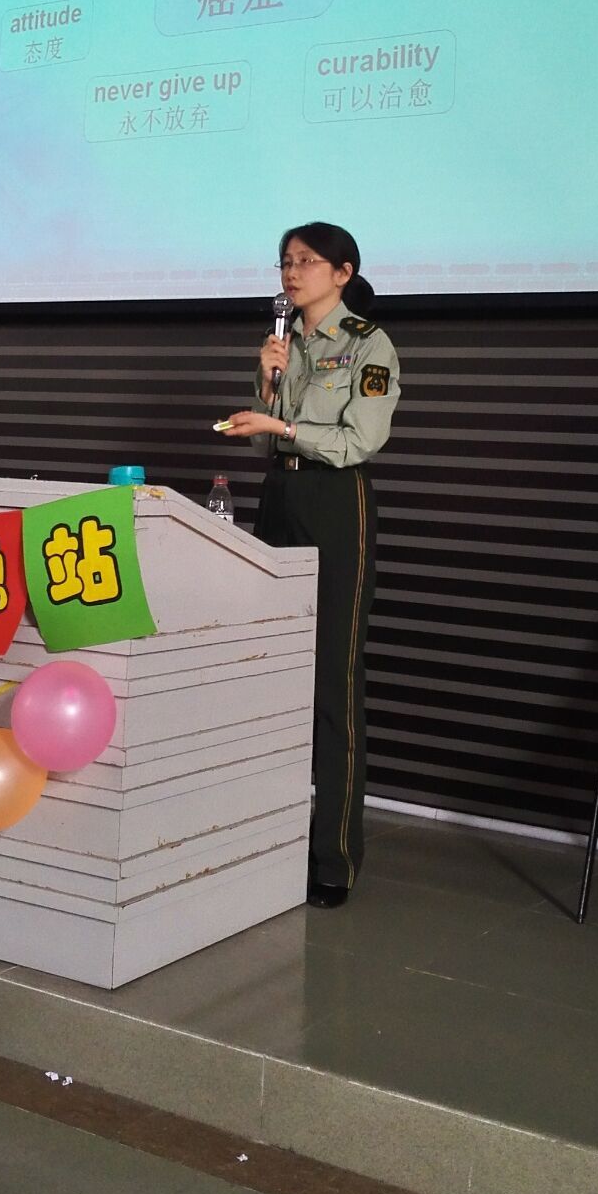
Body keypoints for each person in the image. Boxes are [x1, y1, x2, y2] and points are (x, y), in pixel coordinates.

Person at [218, 222, 399, 908]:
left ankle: (333, 859)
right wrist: (266, 388)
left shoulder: (369, 345)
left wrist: (281, 426)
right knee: (269, 672)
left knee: (333, 680)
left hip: (336, 502)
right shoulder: (284, 342)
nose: (291, 273)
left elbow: (362, 439)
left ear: (343, 272)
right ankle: (266, 840)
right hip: (281, 494)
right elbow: (265, 440)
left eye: (306, 262)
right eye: (284, 262)